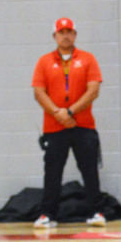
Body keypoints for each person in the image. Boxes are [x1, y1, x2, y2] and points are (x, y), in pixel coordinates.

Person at [32, 17, 105, 228]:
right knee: (52, 172)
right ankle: (47, 214)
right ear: (54, 36)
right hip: (54, 127)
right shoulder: (44, 61)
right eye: (61, 32)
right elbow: (39, 92)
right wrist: (59, 114)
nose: (65, 36)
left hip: (83, 126)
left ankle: (96, 212)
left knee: (89, 170)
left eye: (69, 32)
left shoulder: (88, 59)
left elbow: (93, 90)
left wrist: (71, 111)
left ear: (75, 35)